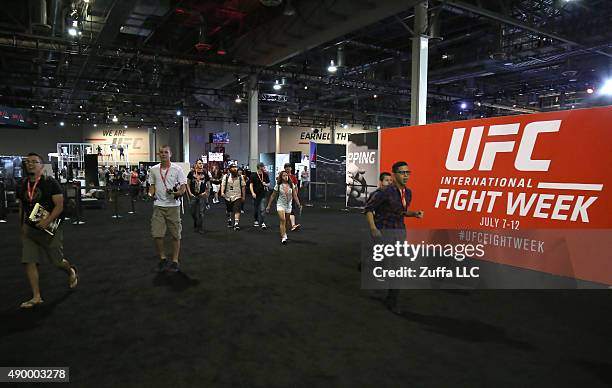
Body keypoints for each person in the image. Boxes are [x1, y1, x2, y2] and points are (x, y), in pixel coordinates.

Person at [17, 153, 78, 308]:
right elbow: (23, 206)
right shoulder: (23, 184)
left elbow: (59, 205)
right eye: (28, 162)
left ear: (41, 166)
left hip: (51, 227)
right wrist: (22, 225)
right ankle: (36, 296)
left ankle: (70, 271)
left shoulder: (50, 183)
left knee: (57, 261)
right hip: (31, 228)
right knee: (29, 261)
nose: (30, 164)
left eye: (34, 162)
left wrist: (47, 221)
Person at [364, 161, 424, 314]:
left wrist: (414, 213)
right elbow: (369, 209)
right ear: (394, 174)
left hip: (399, 233)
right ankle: (369, 262)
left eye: (407, 173)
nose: (406, 175)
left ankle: (392, 300)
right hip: (383, 232)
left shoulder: (408, 193)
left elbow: (401, 212)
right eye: (402, 172)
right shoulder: (384, 192)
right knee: (384, 263)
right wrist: (372, 228)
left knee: (398, 268)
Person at [148, 145, 187, 273]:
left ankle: (175, 260)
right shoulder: (153, 170)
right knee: (157, 234)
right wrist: (150, 194)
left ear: (171, 154)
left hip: (173, 206)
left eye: (166, 152)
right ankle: (163, 258)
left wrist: (178, 193)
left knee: (176, 234)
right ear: (159, 154)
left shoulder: (178, 169)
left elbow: (183, 187)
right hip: (158, 206)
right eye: (161, 152)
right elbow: (152, 186)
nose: (163, 154)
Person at [266, 170, 302, 244]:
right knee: (282, 220)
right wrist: (269, 205)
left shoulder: (292, 185)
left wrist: (298, 204)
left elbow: (295, 195)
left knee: (287, 222)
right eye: (284, 175)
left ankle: (286, 231)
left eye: (286, 175)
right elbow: (273, 195)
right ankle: (283, 237)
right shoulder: (278, 185)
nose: (286, 177)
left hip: (289, 205)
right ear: (281, 177)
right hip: (280, 205)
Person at [186, 159, 210, 234]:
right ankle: (196, 221)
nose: (201, 165)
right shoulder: (191, 173)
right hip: (193, 195)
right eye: (199, 163)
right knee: (192, 211)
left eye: (202, 163)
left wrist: (206, 193)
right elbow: (187, 184)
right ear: (196, 164)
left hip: (202, 196)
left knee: (201, 212)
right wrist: (189, 193)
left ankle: (200, 227)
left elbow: (209, 185)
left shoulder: (205, 174)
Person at [221, 164, 245, 231]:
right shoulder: (226, 177)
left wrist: (243, 196)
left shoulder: (240, 177)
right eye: (233, 167)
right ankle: (229, 219)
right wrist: (222, 192)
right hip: (228, 196)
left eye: (236, 167)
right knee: (229, 210)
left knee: (237, 209)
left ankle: (236, 224)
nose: (235, 169)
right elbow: (223, 184)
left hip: (237, 196)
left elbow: (243, 187)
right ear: (230, 169)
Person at [250, 162, 270, 229]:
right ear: (260, 167)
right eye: (263, 167)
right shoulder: (253, 175)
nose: (264, 168)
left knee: (262, 209)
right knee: (255, 209)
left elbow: (268, 183)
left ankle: (263, 222)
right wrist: (252, 192)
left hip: (263, 194)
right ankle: (256, 220)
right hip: (255, 194)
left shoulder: (265, 175)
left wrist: (266, 184)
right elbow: (251, 184)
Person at [284, 163, 300, 231]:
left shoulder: (293, 177)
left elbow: (296, 187)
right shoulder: (282, 176)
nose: (288, 168)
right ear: (284, 168)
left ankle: (293, 225)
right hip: (284, 197)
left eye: (289, 167)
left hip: (291, 197)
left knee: (291, 211)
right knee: (285, 212)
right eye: (286, 167)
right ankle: (286, 223)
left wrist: (295, 195)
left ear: (291, 168)